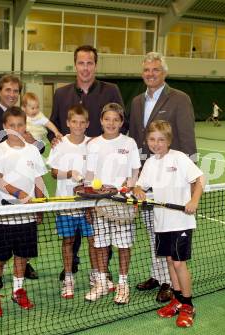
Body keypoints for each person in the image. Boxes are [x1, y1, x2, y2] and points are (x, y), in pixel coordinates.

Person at [50, 45, 125, 280]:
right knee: (72, 228)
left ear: (95, 65)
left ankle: (102, 270)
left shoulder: (111, 90)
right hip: (72, 174)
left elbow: (122, 123)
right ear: (75, 65)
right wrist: (54, 140)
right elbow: (53, 125)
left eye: (89, 63)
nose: (85, 68)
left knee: (99, 225)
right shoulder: (61, 94)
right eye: (81, 63)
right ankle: (70, 267)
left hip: (102, 172)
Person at [129, 52, 197, 303]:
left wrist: (190, 185)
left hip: (172, 180)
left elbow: (188, 139)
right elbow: (136, 139)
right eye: (146, 70)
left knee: (167, 232)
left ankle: (170, 284)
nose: (151, 74)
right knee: (153, 230)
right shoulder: (137, 101)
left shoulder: (179, 99)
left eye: (156, 70)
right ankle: (157, 276)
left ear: (164, 73)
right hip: (147, 178)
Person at [133, 120, 204, 327]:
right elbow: (140, 185)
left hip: (181, 221)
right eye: (152, 139)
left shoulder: (179, 158)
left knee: (179, 263)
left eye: (161, 140)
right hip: (161, 222)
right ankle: (177, 299)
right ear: (147, 141)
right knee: (170, 262)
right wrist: (138, 190)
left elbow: (199, 179)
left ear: (169, 141)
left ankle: (188, 305)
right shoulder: (150, 163)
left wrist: (194, 200)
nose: (156, 144)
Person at [0, 107, 47, 317]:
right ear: (5, 127)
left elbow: (39, 179)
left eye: (20, 125)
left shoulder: (32, 150)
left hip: (28, 215)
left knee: (22, 255)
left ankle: (18, 290)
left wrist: (40, 204)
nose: (16, 129)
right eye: (11, 126)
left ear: (25, 126)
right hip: (4, 216)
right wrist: (19, 193)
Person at [0, 74, 39, 281]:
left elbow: (35, 150)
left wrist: (32, 141)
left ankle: (23, 269)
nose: (12, 94)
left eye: (16, 91)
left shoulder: (23, 115)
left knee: (23, 235)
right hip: (2, 193)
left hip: (24, 188)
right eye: (8, 90)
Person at [85, 102, 141, 305]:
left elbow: (135, 172)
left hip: (122, 204)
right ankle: (101, 282)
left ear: (121, 122)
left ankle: (123, 284)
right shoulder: (93, 145)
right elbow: (89, 176)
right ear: (101, 121)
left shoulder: (130, 143)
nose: (111, 123)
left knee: (123, 246)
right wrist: (91, 198)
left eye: (115, 119)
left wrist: (130, 185)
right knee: (101, 245)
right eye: (107, 119)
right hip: (100, 203)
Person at [47, 105, 101, 299]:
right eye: (74, 122)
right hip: (66, 203)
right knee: (68, 241)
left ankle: (97, 276)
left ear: (87, 124)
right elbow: (53, 173)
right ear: (68, 123)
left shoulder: (93, 144)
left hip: (88, 203)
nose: (78, 126)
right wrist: (69, 174)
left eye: (82, 122)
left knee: (93, 241)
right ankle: (68, 278)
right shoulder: (59, 144)